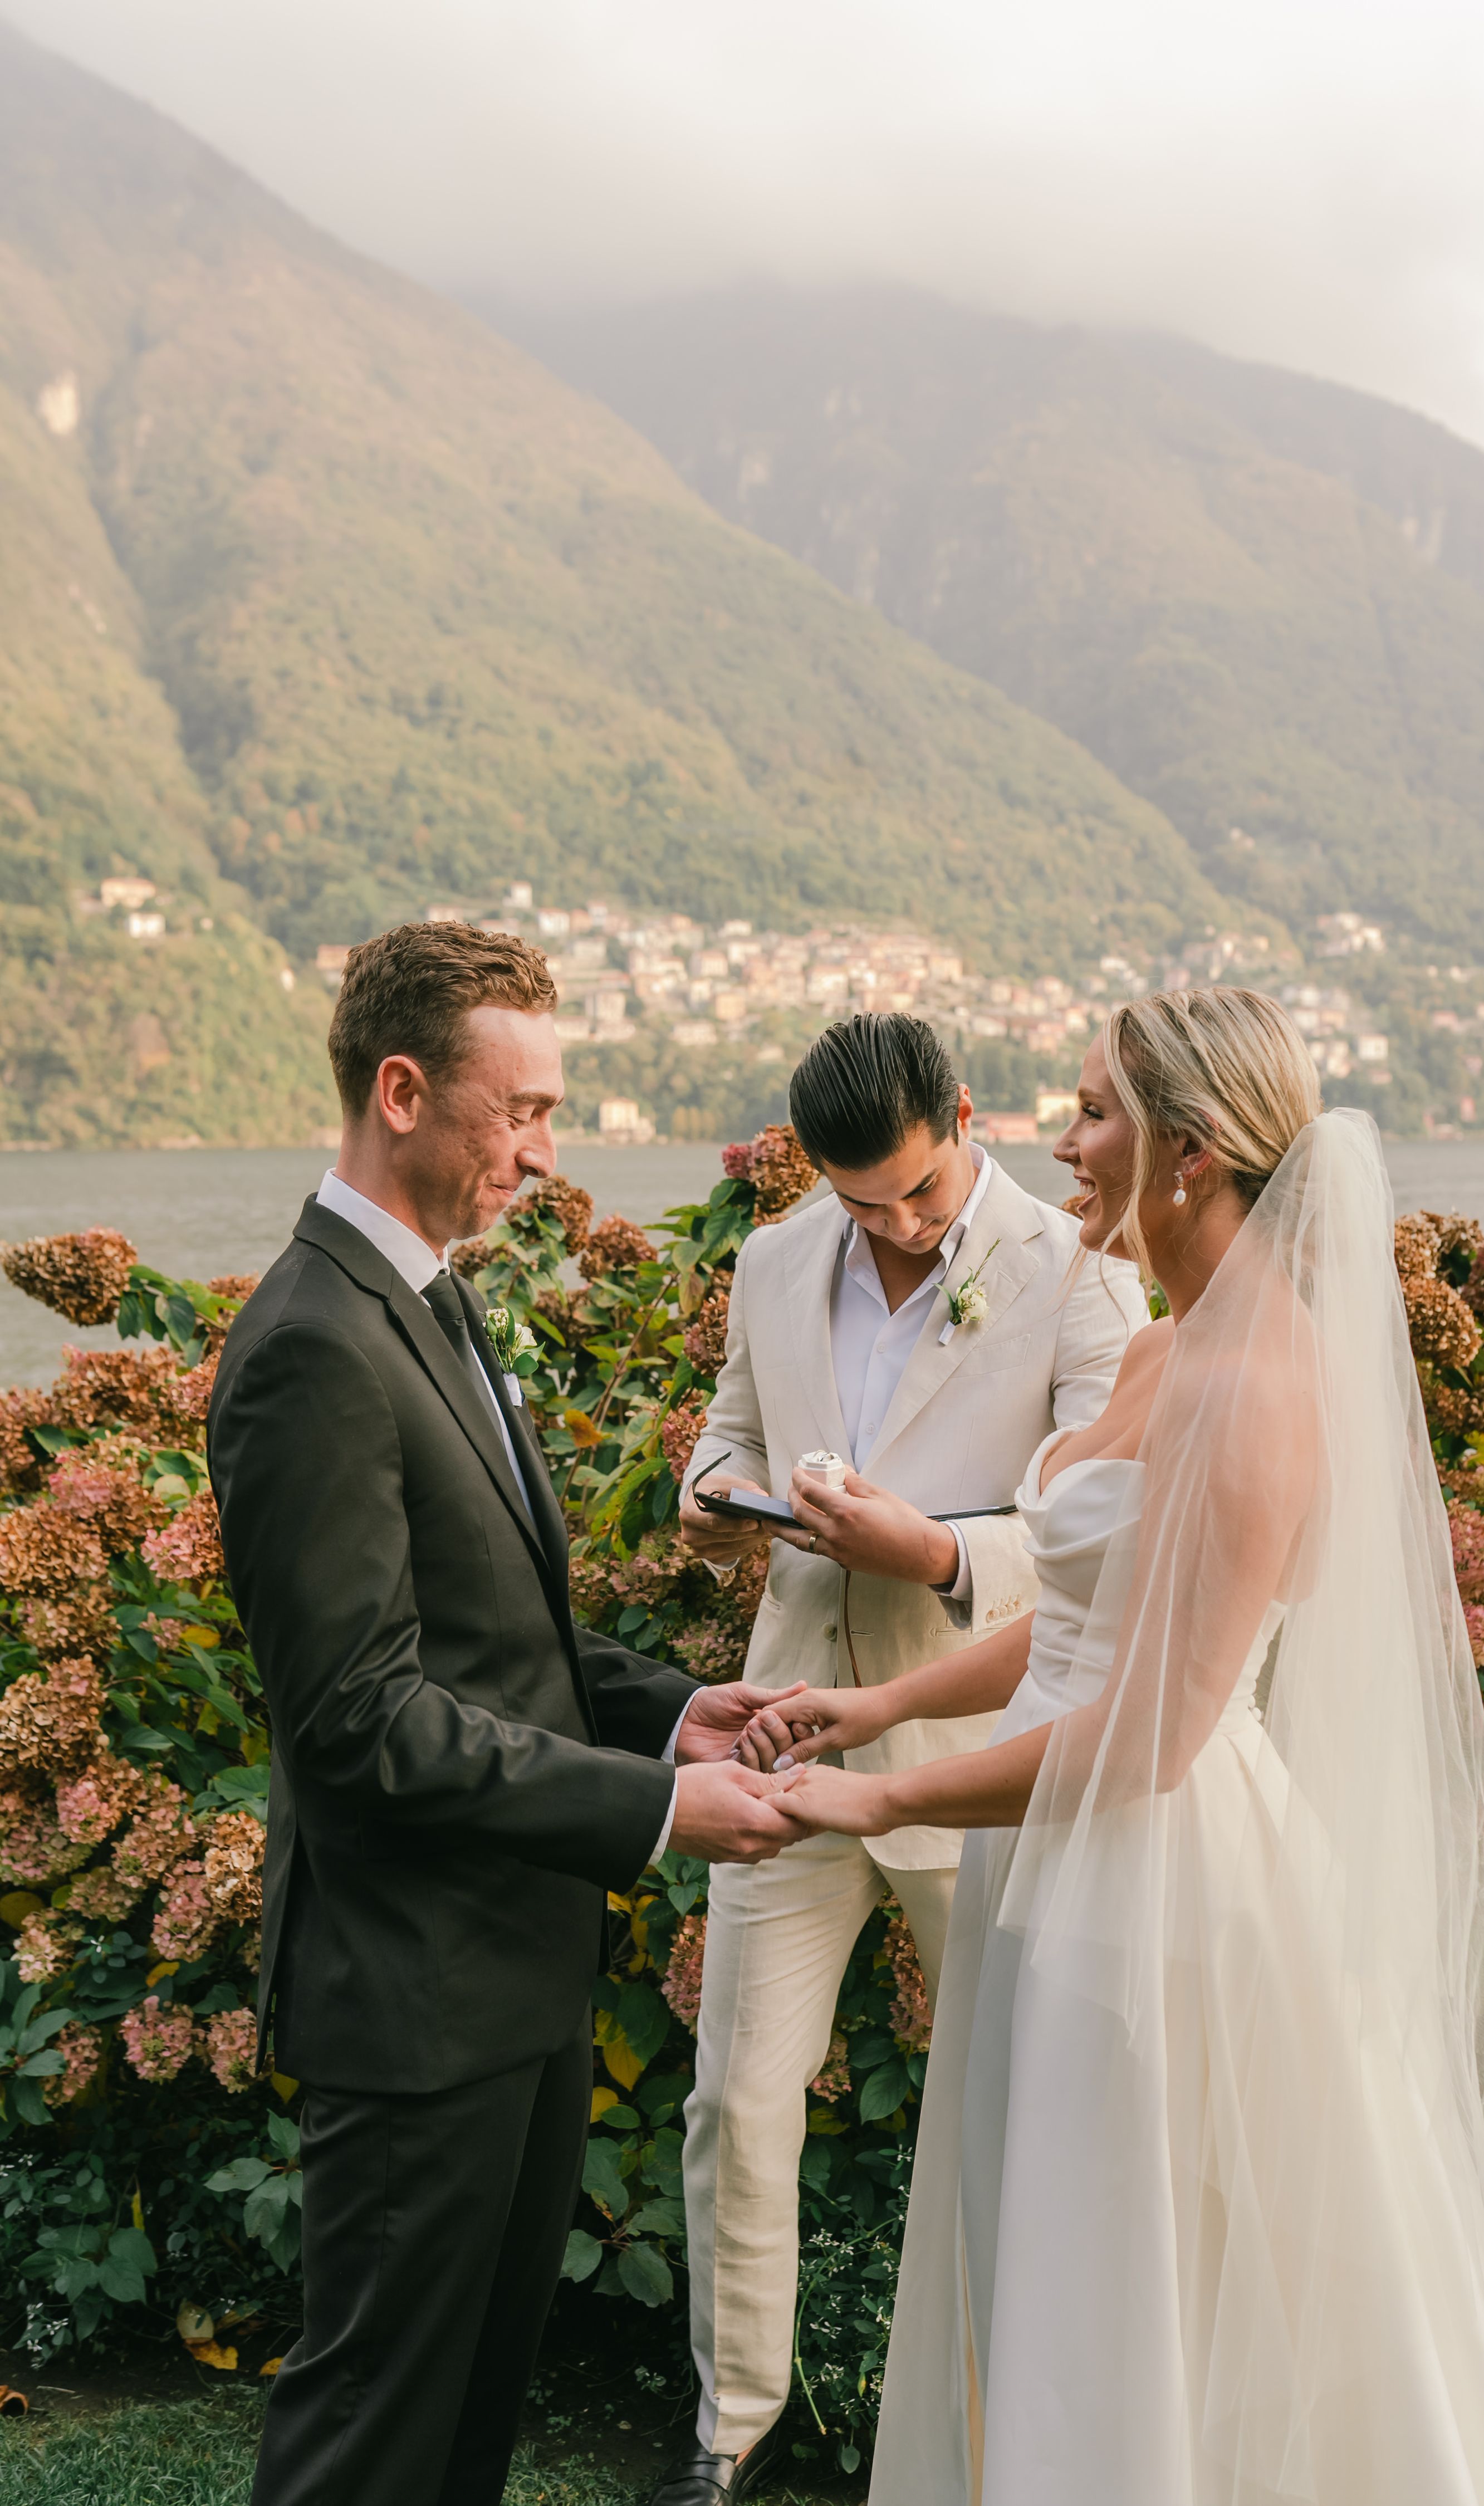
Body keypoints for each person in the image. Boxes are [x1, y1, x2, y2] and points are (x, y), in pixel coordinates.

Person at [748, 987, 1484, 2506]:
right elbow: (1092, 1614)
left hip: (1151, 1897)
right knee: (1046, 2253)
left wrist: (868, 1792)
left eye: (1094, 1114)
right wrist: (879, 1704)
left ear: (1192, 1152)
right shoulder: (1159, 1350)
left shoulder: (1263, 1389)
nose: (1064, 1143)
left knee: (1125, 2289)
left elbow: (1149, 1735)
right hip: (1051, 1848)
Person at [208, 923, 807, 2506]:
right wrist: (662, 1813)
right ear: (401, 1091)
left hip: (514, 1975)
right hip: (413, 2002)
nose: (549, 1154)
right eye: (523, 1110)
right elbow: (363, 1720)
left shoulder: (429, 1300)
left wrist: (672, 1709)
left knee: (467, 2434)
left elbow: (495, 1630)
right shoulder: (312, 1347)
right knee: (370, 2443)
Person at [657, 1012, 1145, 2505]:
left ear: (967, 1117)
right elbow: (724, 1441)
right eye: (863, 1203)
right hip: (792, 1722)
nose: (896, 1225)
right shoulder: (771, 1263)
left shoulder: (1081, 1272)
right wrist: (731, 1495)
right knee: (737, 2096)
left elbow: (1103, 1536)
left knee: (1012, 2100)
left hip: (977, 1742)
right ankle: (735, 2427)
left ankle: (1022, 2434)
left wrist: (931, 1548)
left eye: (921, 1194)